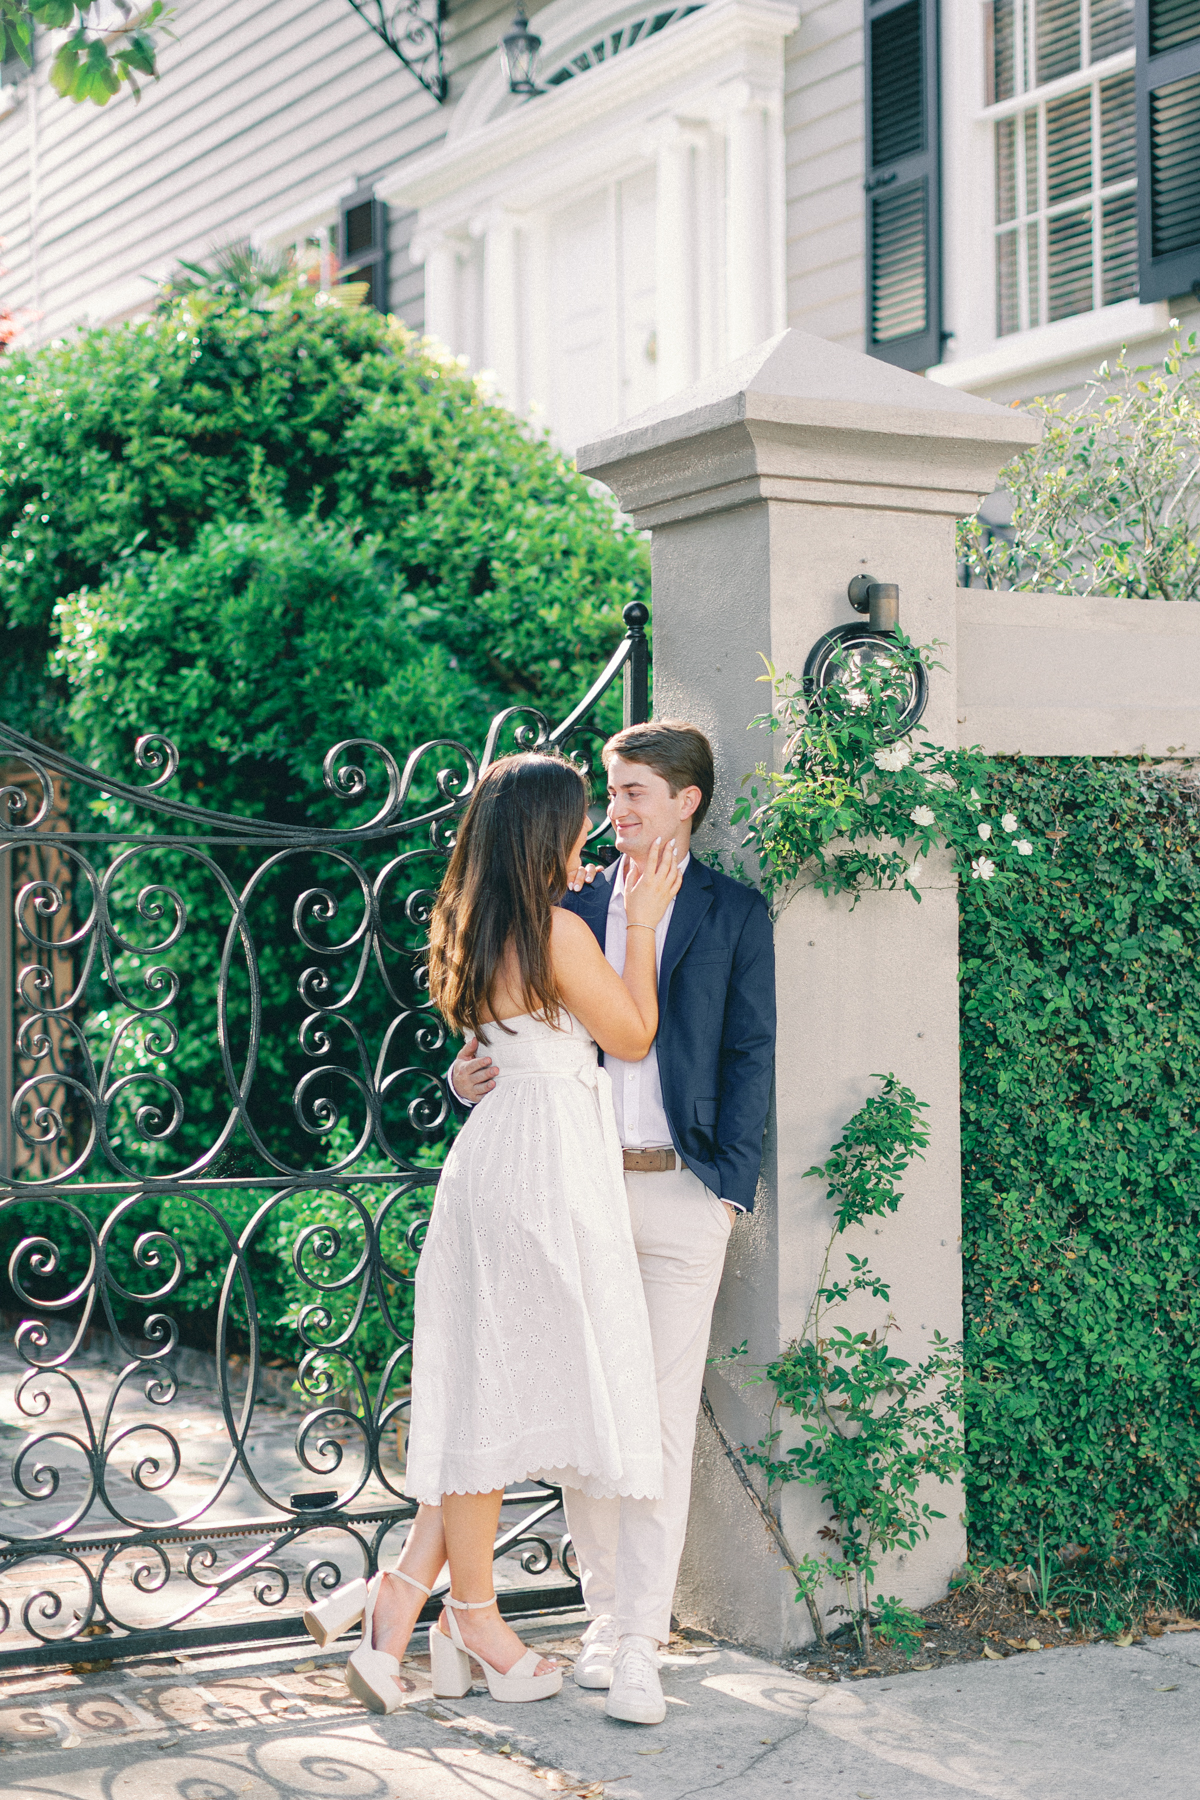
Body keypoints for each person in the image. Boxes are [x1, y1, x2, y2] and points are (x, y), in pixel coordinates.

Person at [304, 751, 681, 1713]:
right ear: (544, 835)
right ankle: (469, 1616)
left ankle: (397, 1606)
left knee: (488, 1395)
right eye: (580, 823)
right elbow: (632, 1034)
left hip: (493, 1155)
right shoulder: (556, 933)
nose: (591, 838)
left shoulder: (470, 927)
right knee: (493, 1406)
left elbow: (491, 1051)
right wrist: (640, 922)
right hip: (542, 1167)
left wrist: (463, 1073)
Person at [451, 721, 775, 1727]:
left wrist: (726, 1188)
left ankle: (639, 1642)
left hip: (682, 1193)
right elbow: (509, 1026)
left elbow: (751, 1052)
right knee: (588, 1417)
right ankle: (603, 1626)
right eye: (609, 791)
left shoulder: (733, 911)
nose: (615, 811)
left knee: (658, 1421)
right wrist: (467, 1075)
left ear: (687, 801)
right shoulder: (571, 903)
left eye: (634, 791)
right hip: (576, 1192)